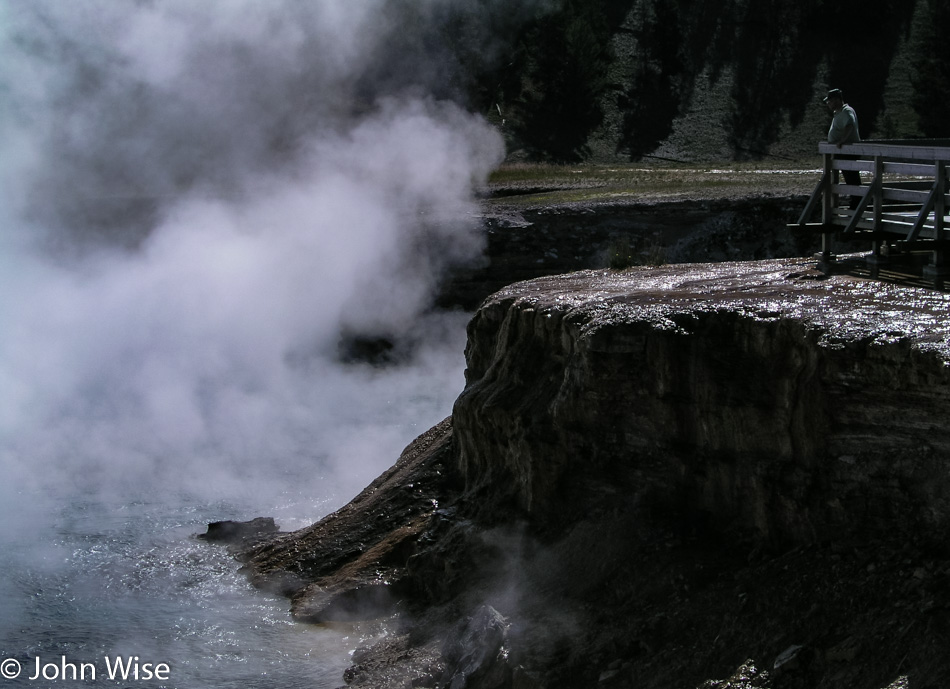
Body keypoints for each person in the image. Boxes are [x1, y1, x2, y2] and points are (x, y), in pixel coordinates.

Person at [823, 88, 861, 207]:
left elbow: (850, 124)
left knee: (852, 178)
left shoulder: (846, 111)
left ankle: (856, 204)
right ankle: (855, 203)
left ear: (837, 100)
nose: (828, 104)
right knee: (849, 177)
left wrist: (842, 141)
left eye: (830, 102)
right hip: (842, 151)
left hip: (847, 152)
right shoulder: (839, 113)